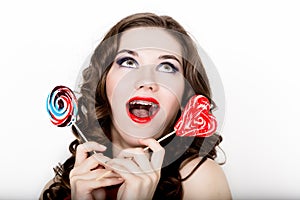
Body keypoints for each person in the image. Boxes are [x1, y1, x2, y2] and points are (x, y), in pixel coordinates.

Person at [41, 12, 231, 200]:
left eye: (167, 67)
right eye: (129, 62)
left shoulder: (200, 180)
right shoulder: (59, 188)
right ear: (103, 82)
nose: (146, 80)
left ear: (184, 97)